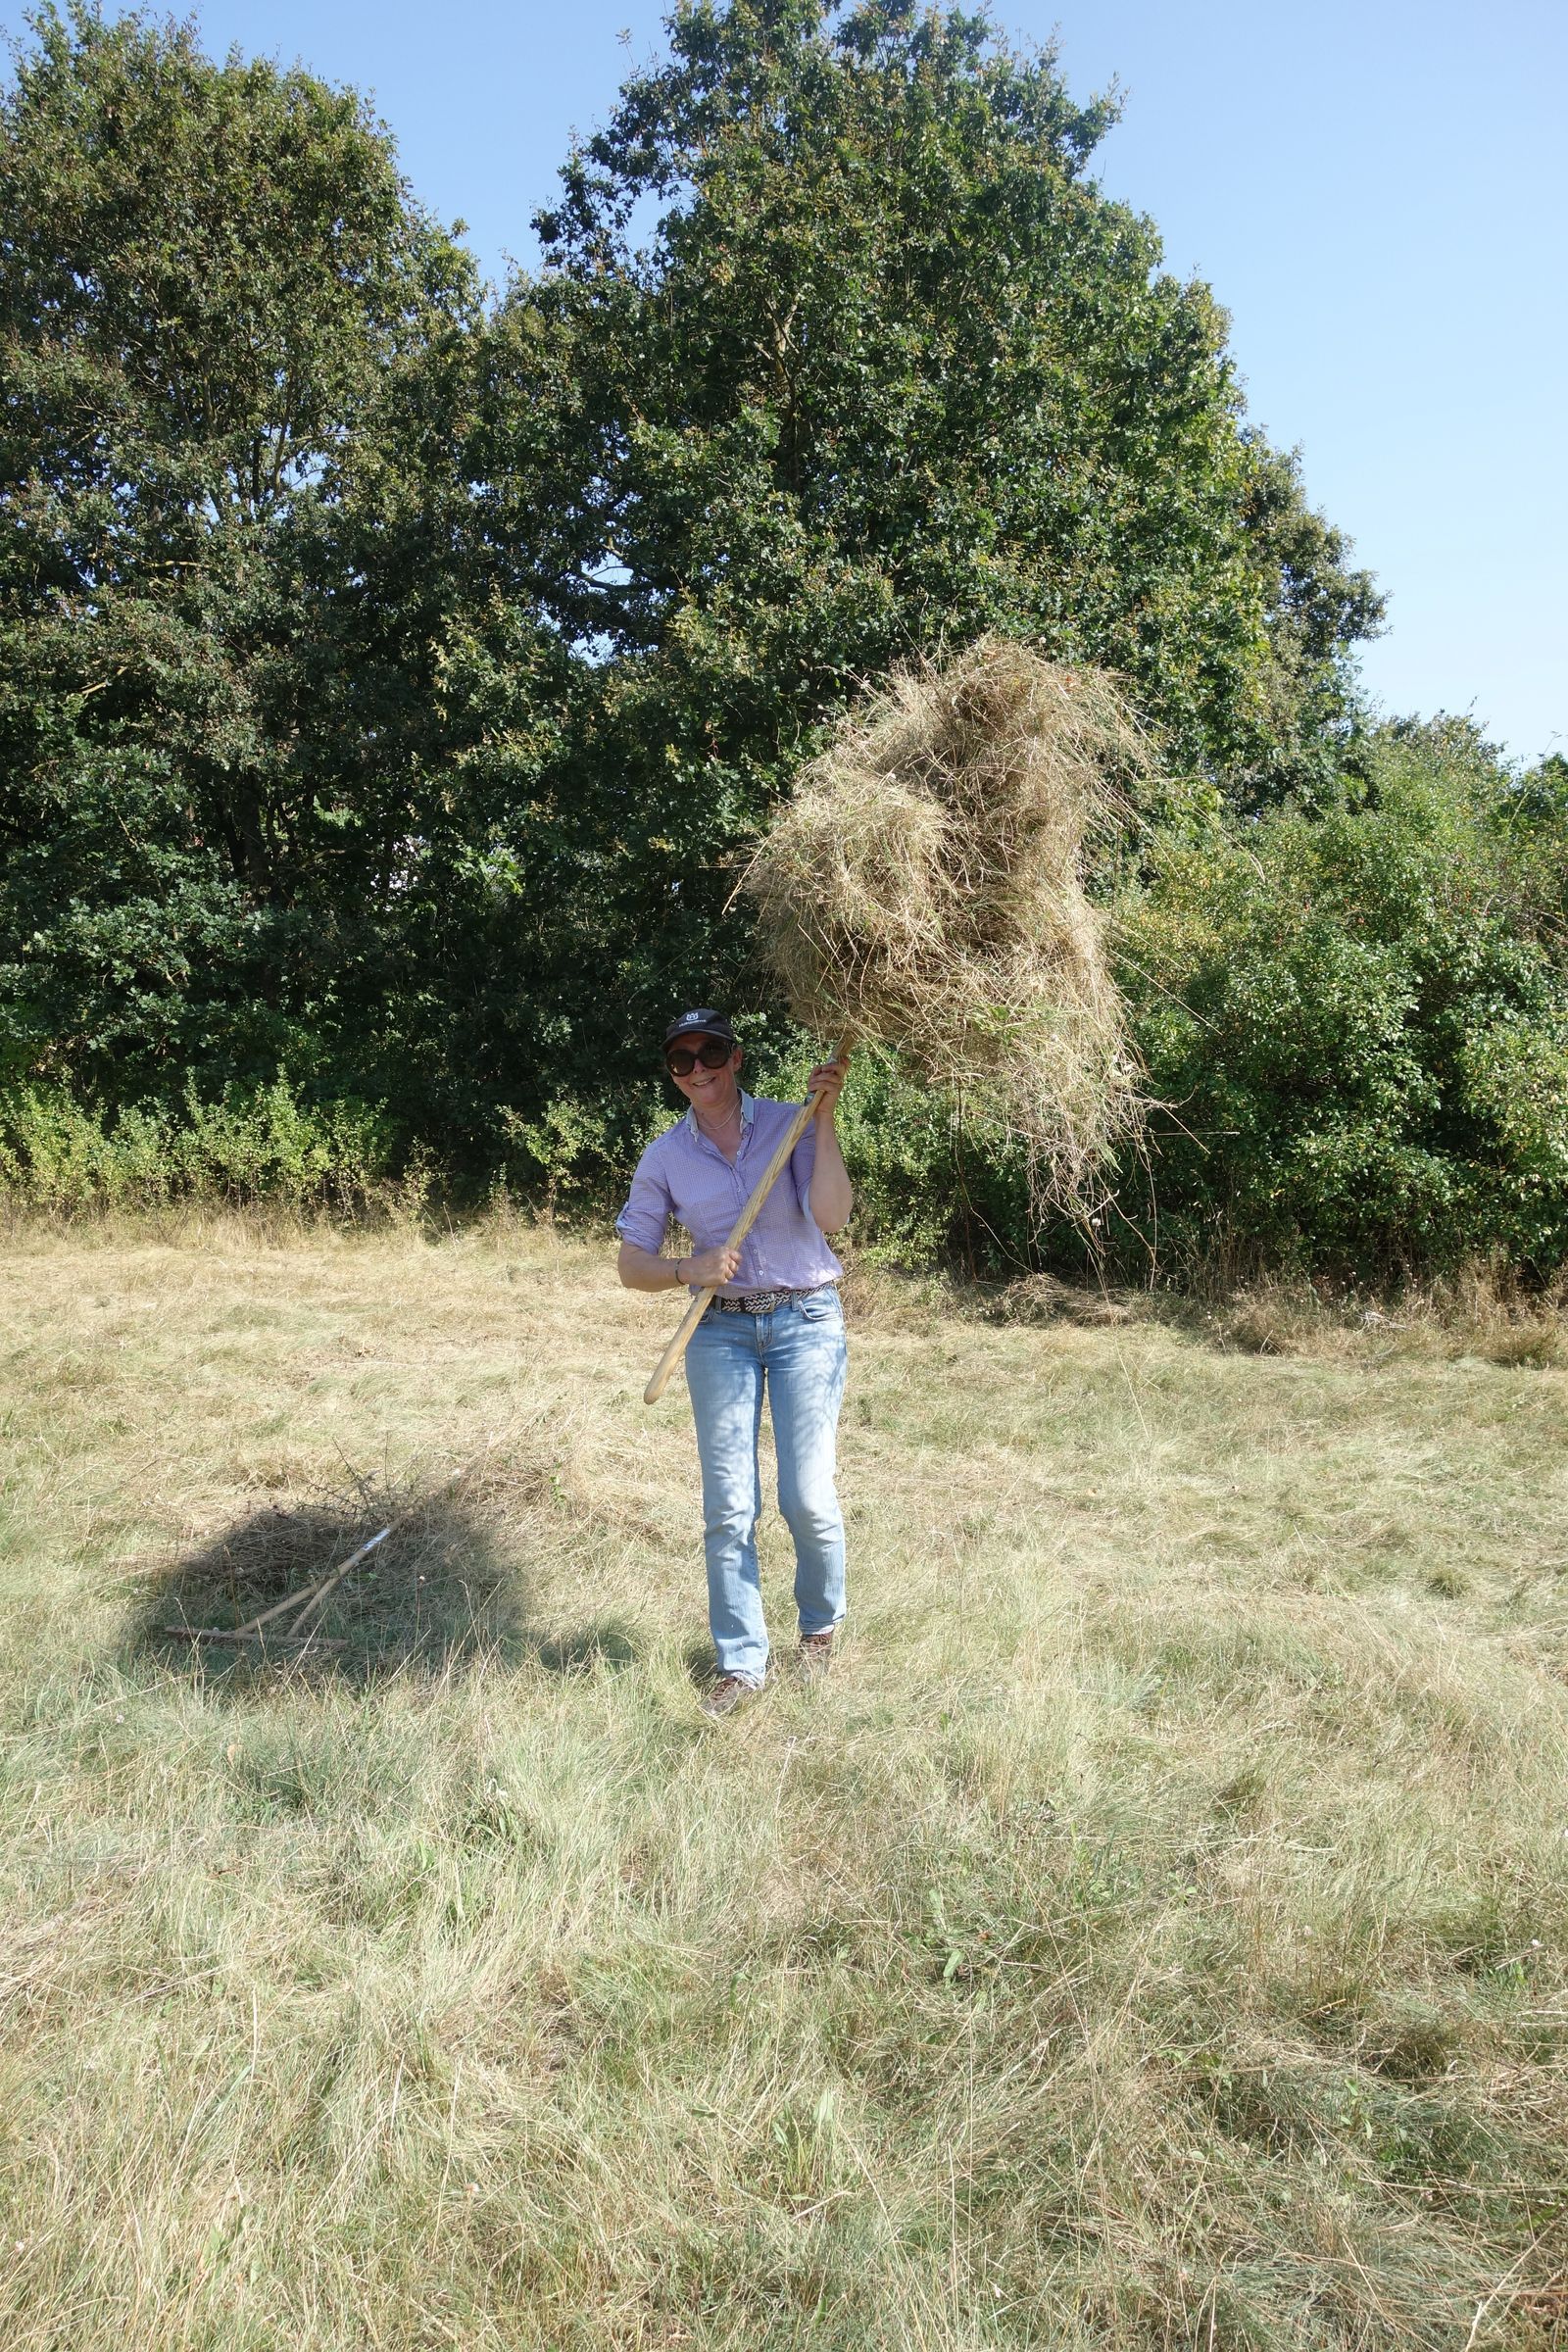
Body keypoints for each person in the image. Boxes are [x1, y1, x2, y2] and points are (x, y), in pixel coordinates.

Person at [615, 1010, 853, 1717]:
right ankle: (743, 1664)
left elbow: (834, 1217)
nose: (697, 1069)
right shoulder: (665, 1157)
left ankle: (818, 1630)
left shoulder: (793, 1120)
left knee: (805, 1496)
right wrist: (692, 1266)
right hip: (718, 1331)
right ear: (672, 1073)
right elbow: (632, 1265)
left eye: (709, 1052)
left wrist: (827, 1120)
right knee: (729, 1508)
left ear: (736, 1056)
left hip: (806, 1321)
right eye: (680, 1060)